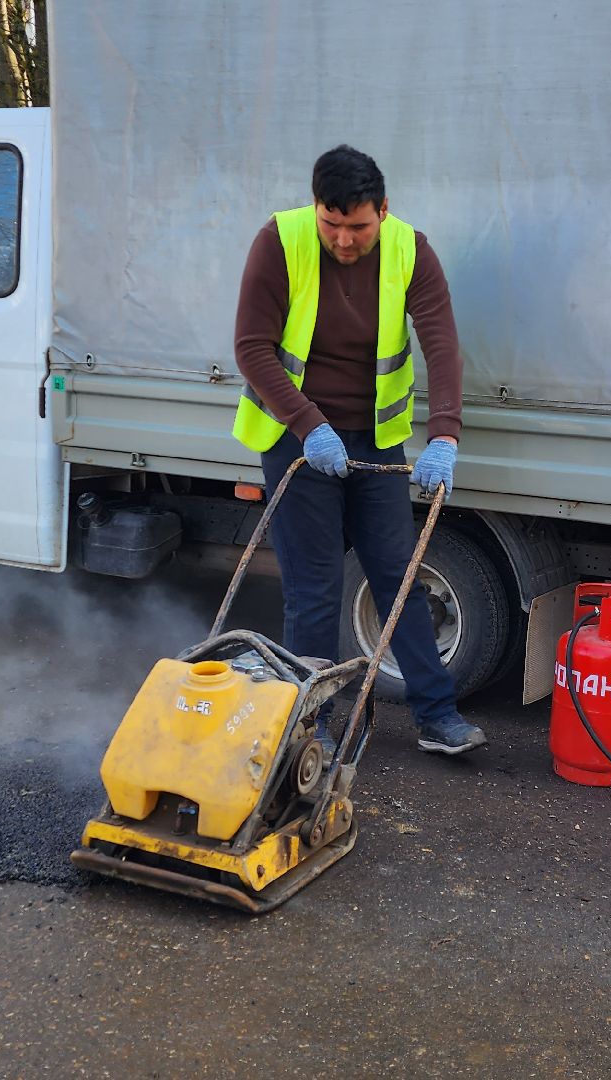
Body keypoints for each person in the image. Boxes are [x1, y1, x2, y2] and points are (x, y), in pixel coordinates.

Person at [231, 145, 485, 755]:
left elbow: (441, 345)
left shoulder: (410, 250)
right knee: (314, 588)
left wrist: (444, 433)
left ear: (384, 210)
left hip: (375, 440)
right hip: (299, 440)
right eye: (332, 224)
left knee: (399, 577)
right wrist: (308, 423)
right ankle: (312, 724)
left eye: (359, 227)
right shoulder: (280, 241)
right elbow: (252, 347)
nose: (344, 240)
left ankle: (437, 716)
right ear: (315, 207)